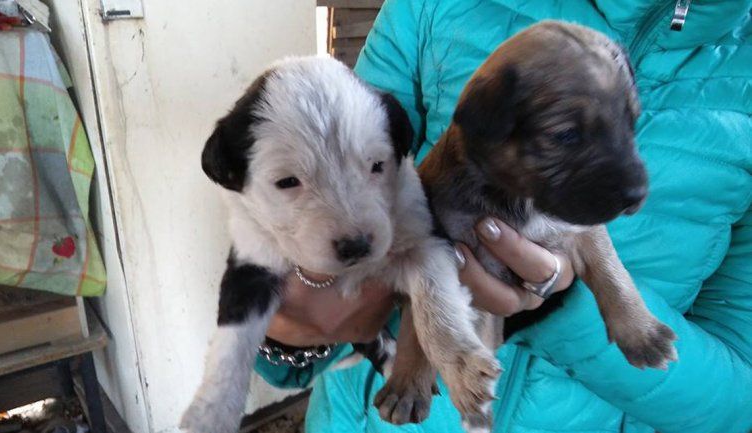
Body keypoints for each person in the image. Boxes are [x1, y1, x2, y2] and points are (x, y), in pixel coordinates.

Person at [254, 1, 752, 432]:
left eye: (629, 126)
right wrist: (290, 322)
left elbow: (737, 402)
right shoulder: (432, 9)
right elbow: (332, 222)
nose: (634, 181)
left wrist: (563, 308)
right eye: (565, 137)